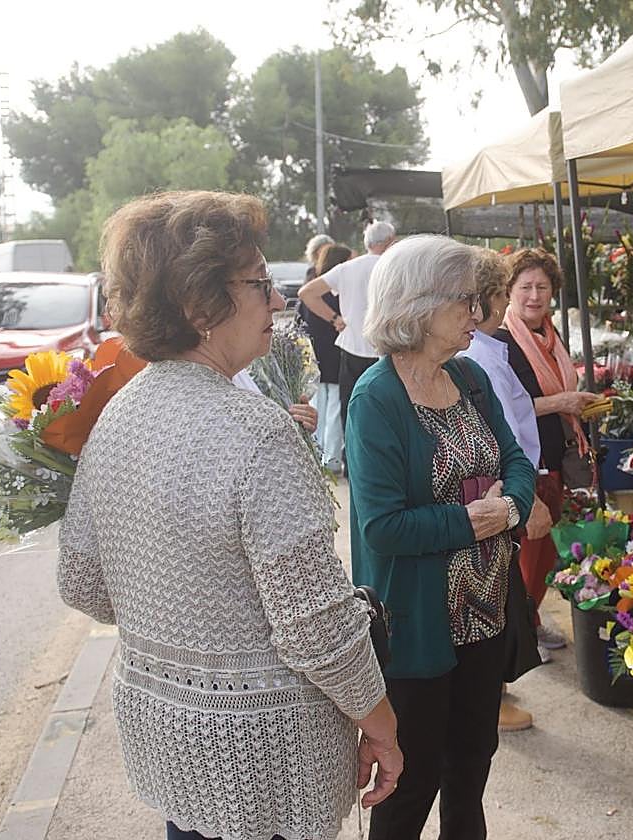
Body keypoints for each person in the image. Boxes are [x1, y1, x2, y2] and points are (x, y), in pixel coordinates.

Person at [57, 190, 402, 840]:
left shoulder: (117, 416)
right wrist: (381, 726)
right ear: (199, 306)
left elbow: (82, 583)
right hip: (263, 759)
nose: (278, 301)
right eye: (259, 284)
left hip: (168, 739)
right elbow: (316, 627)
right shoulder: (257, 432)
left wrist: (178, 616)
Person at [345, 234, 535, 840]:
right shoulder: (376, 398)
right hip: (418, 625)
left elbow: (517, 461)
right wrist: (472, 520)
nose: (478, 313)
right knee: (413, 781)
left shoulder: (469, 376)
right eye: (465, 301)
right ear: (420, 304)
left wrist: (510, 507)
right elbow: (381, 526)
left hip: (485, 612)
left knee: (471, 765)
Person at [458, 248, 551, 732]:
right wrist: (528, 498)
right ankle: (489, 697)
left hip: (509, 485)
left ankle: (493, 691)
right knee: (496, 594)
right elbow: (502, 435)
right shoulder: (480, 356)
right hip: (502, 492)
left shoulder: (489, 351)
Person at [497, 248, 598, 656]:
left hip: (554, 453)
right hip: (525, 459)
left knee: (545, 552)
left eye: (542, 287)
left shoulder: (551, 338)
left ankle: (532, 621)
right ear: (509, 291)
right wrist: (562, 402)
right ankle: (521, 633)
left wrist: (577, 404)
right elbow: (506, 406)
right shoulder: (502, 341)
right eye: (526, 287)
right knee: (528, 551)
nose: (534, 296)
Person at [298, 220, 396, 430]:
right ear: (390, 241)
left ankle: (349, 451)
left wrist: (335, 318)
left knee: (350, 414)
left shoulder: (346, 268)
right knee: (385, 416)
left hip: (351, 348)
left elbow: (306, 293)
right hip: (387, 349)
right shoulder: (394, 267)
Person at [298, 243, 353, 471]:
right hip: (336, 354)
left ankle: (316, 453)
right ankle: (331, 458)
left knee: (317, 406)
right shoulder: (339, 293)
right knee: (335, 409)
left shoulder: (312, 287)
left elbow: (300, 321)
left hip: (315, 354)